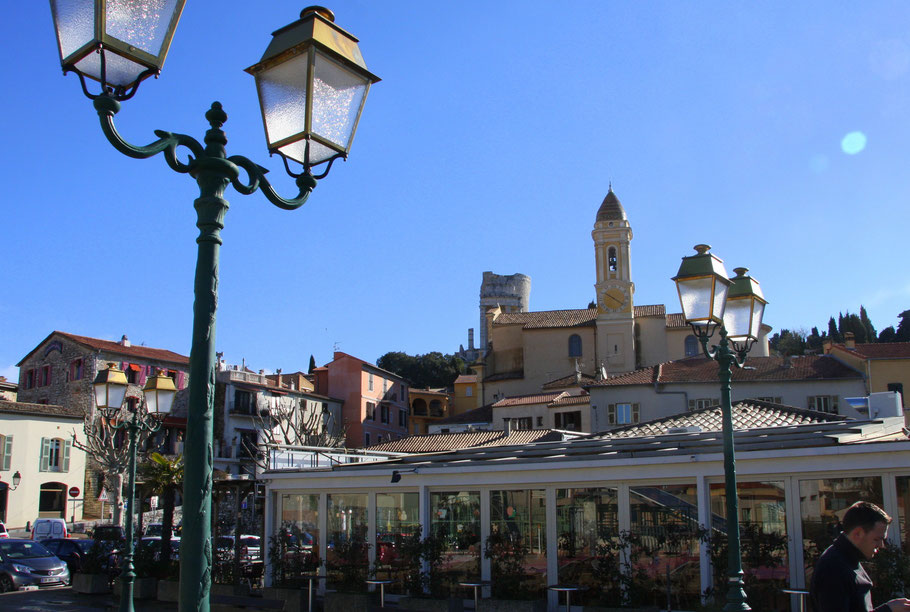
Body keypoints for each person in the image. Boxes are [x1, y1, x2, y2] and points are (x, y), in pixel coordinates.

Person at [809, 501, 910, 611]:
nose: (881, 545)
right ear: (858, 533)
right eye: (877, 539)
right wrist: (888, 610)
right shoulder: (833, 567)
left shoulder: (845, 559)